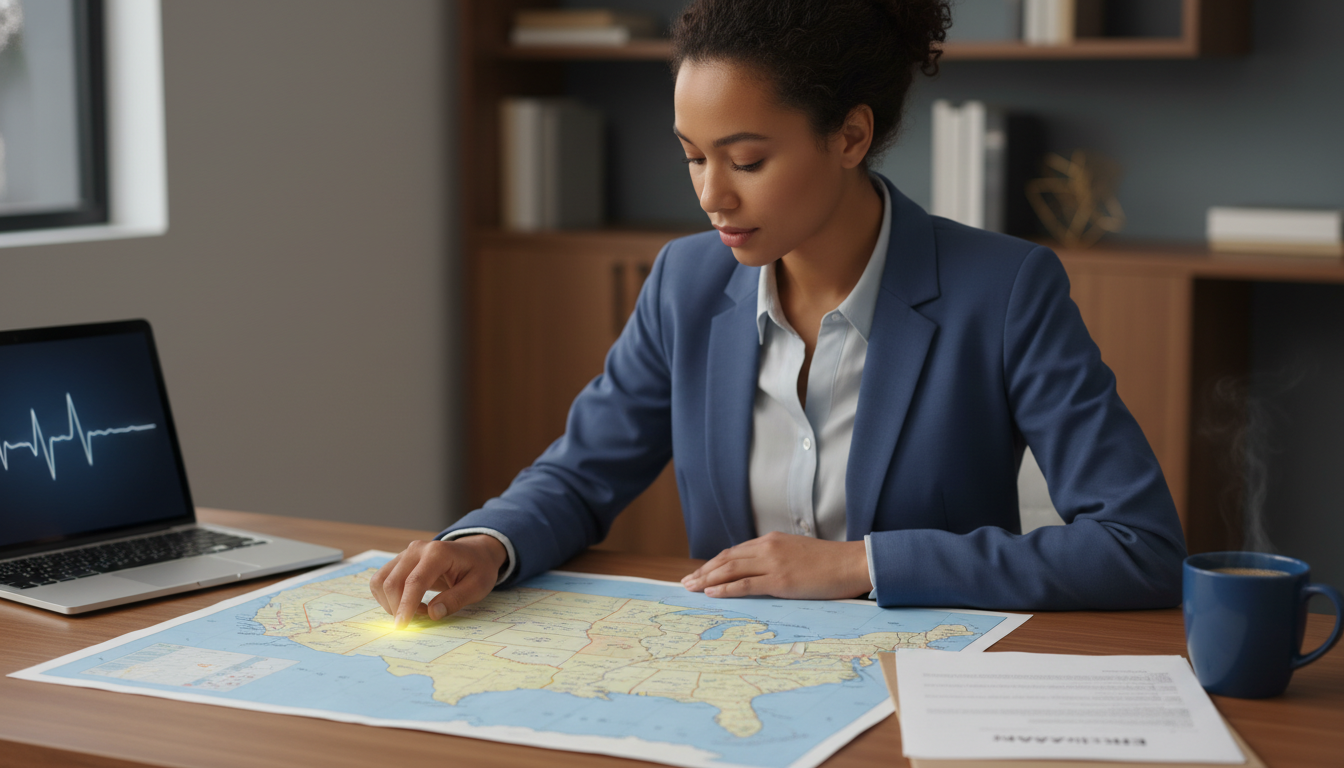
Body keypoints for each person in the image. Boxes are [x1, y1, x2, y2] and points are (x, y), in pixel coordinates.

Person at [371, 0, 1187, 630]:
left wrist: (863, 564)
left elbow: (1138, 546)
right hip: (737, 686)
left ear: (850, 135)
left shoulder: (1005, 290)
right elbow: (581, 475)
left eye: (748, 160)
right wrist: (484, 543)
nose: (711, 195)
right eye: (693, 156)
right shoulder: (685, 282)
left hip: (925, 688)